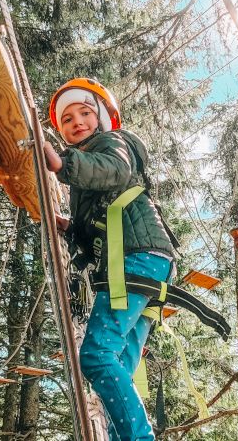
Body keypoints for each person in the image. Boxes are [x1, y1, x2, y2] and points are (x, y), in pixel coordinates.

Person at [43, 78, 175, 441]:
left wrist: (61, 164)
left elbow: (113, 170)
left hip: (133, 259)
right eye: (67, 119)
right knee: (118, 367)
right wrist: (69, 226)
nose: (77, 122)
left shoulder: (112, 145)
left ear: (103, 118)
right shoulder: (87, 171)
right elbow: (93, 228)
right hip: (143, 263)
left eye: (85, 112)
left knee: (96, 356)